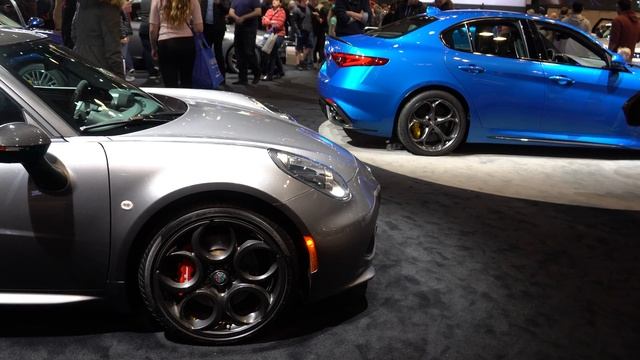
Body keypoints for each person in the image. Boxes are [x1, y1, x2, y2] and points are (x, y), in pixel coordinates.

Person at [150, 0, 203, 87]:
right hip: (187, 43)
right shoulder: (192, 1)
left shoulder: (157, 1)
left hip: (166, 43)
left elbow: (152, 29)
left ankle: (171, 100)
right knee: (187, 81)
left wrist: (153, 47)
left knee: (170, 82)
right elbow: (199, 28)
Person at [73, 0, 123, 77]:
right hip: (101, 69)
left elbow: (73, 34)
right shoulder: (109, 9)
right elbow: (112, 48)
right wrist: (120, 76)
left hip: (79, 62)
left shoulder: (81, 5)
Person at [229, 0, 262, 84]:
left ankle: (257, 72)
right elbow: (231, 11)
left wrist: (244, 17)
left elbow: (258, 12)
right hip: (239, 27)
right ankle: (243, 78)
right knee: (239, 52)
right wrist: (237, 18)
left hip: (249, 28)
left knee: (249, 52)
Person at [200, 0, 229, 84]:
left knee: (218, 52)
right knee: (205, 53)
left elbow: (227, 10)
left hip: (218, 28)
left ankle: (222, 78)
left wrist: (220, 3)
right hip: (206, 28)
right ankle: (207, 77)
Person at [261, 0, 286, 80]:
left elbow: (279, 25)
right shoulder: (269, 10)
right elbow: (263, 22)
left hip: (279, 35)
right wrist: (272, 22)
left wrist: (268, 21)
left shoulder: (282, 12)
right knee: (273, 53)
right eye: (273, 0)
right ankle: (281, 71)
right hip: (270, 34)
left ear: (280, 3)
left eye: (276, 0)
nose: (274, 1)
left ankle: (270, 75)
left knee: (272, 52)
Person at [138, 0, 161, 79]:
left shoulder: (143, 1)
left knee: (147, 50)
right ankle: (158, 70)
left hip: (143, 27)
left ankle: (151, 72)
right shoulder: (155, 1)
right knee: (158, 49)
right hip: (153, 27)